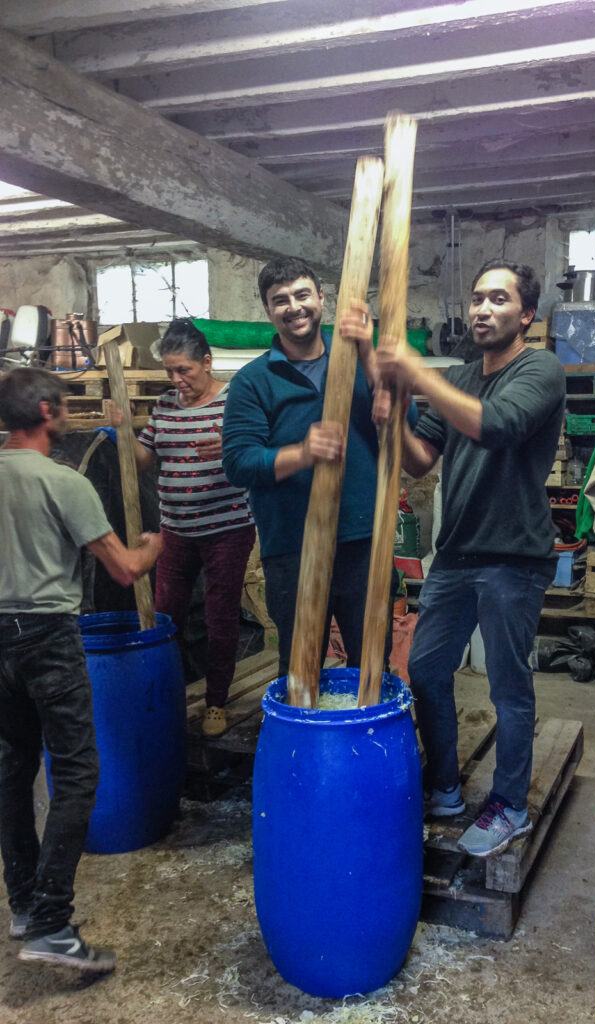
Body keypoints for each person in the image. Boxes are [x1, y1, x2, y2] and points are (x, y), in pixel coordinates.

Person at [376, 259, 566, 858]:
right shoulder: (459, 374)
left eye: (499, 300)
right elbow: (420, 460)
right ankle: (445, 787)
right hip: (455, 553)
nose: (483, 309)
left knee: (507, 687)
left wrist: (416, 372)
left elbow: (499, 425)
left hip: (513, 557)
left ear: (526, 315)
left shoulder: (541, 369)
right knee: (428, 670)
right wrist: (392, 421)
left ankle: (510, 806)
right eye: (478, 298)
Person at [0, 367, 162, 972]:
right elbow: (123, 569)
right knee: (76, 773)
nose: (69, 415)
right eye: (63, 406)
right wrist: (156, 544)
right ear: (46, 411)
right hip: (46, 634)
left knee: (14, 769)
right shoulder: (62, 481)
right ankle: (50, 923)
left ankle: (23, 902)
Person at [222, 256, 401, 679]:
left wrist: (368, 350)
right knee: (301, 671)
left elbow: (402, 427)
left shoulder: (358, 362)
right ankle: (303, 744)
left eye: (303, 294)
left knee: (373, 664)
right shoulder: (254, 380)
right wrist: (302, 453)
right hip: (293, 546)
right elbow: (238, 462)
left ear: (321, 298)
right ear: (268, 310)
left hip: (364, 540)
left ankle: (369, 744)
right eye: (279, 300)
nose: (294, 306)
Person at [116, 318, 256, 737]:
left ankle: (216, 700)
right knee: (166, 615)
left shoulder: (233, 402)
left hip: (228, 529)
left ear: (207, 363)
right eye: (170, 372)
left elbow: (253, 456)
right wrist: (123, 429)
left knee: (219, 615)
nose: (178, 380)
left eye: (185, 371)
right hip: (174, 530)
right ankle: (166, 694)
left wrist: (232, 445)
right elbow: (143, 459)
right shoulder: (165, 405)